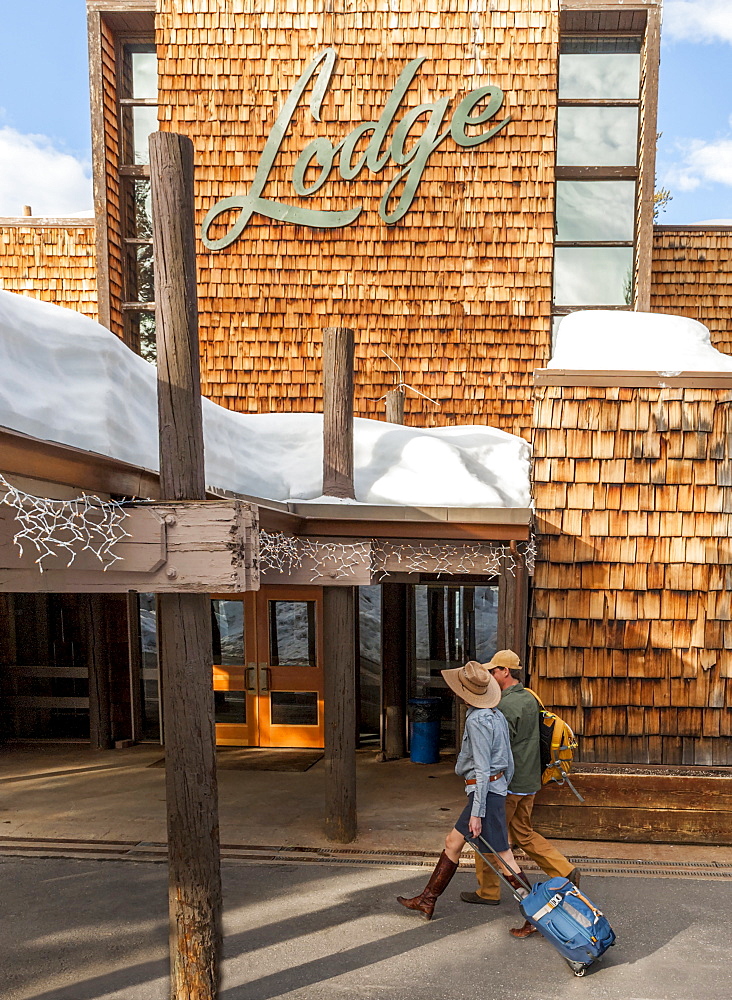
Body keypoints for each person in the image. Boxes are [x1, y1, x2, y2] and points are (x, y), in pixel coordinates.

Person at [396, 659, 532, 921]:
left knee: (505, 857)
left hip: (486, 794)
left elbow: (482, 768)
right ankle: (427, 899)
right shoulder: (496, 714)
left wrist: (477, 811)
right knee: (453, 843)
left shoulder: (478, 721)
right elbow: (509, 761)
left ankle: (539, 914)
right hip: (494, 790)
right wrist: (502, 788)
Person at [460, 648, 580, 938]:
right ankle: (563, 870)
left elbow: (494, 751)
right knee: (523, 832)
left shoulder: (503, 707)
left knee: (486, 836)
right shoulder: (529, 697)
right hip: (531, 780)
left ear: (505, 672)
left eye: (493, 670)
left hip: (509, 784)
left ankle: (488, 890)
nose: (490, 675)